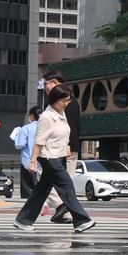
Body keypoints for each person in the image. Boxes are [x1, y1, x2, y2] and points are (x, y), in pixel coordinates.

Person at [13, 85, 95, 233]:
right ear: (54, 100)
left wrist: (66, 147)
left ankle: (23, 220)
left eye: (68, 101)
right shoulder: (47, 117)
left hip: (59, 156)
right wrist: (33, 161)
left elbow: (63, 134)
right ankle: (81, 220)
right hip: (49, 157)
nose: (65, 104)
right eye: (63, 101)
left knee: (41, 190)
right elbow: (39, 141)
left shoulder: (61, 113)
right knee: (66, 185)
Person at [42, 71, 83, 223]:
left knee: (53, 179)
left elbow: (69, 125)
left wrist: (68, 145)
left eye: (45, 83)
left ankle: (62, 206)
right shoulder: (68, 99)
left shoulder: (63, 101)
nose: (44, 87)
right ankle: (66, 213)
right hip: (66, 147)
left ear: (55, 83)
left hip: (62, 148)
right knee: (64, 180)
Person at [10, 108, 41, 200]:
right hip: (43, 160)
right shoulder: (46, 127)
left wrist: (16, 137)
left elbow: (19, 144)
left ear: (31, 116)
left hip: (28, 161)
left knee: (28, 187)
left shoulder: (26, 128)